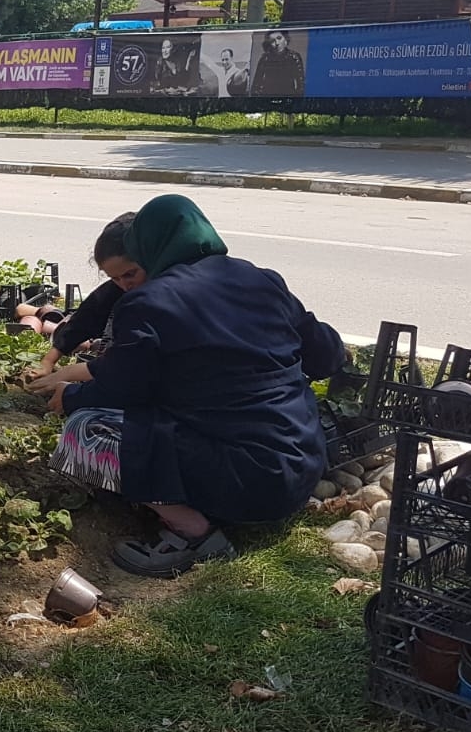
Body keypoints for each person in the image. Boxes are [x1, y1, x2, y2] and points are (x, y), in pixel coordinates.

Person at [31, 194, 344, 577]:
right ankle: (207, 501)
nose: (124, 284)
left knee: (85, 432)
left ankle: (194, 532)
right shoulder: (259, 278)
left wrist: (73, 396)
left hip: (252, 483)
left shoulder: (149, 302)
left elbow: (126, 389)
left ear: (147, 248)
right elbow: (327, 356)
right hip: (304, 464)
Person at [26, 213, 138, 379]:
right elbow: (86, 318)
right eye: (114, 278)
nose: (123, 284)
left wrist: (70, 386)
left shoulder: (155, 302)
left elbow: (128, 365)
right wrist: (48, 361)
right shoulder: (118, 289)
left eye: (129, 274)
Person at [251, 30, 304, 96]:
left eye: (279, 38)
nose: (277, 43)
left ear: (286, 39)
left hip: (288, 96)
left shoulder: (294, 57)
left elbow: (301, 84)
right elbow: (256, 83)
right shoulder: (265, 58)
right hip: (267, 96)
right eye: (272, 41)